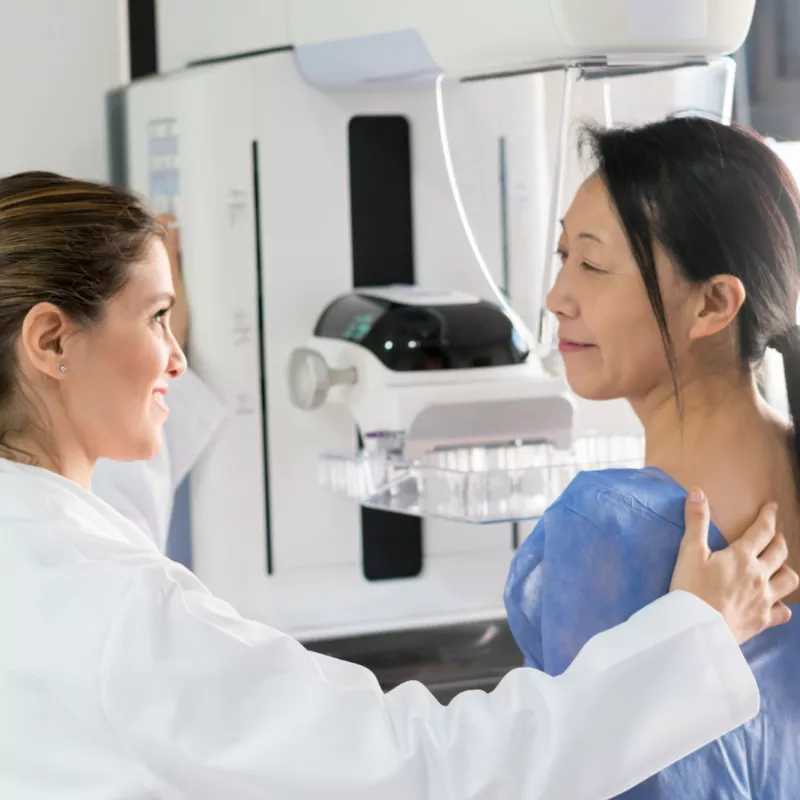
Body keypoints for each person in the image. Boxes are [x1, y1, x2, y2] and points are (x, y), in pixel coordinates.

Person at [0, 171, 794, 800]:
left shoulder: (45, 557)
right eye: (157, 318)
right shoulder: (114, 612)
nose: (176, 356)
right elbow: (432, 772)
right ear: (48, 340)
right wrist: (695, 633)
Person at [505, 117, 800, 799]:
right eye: (562, 256)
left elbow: (574, 775)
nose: (557, 299)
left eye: (593, 264)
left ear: (714, 303)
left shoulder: (612, 527)